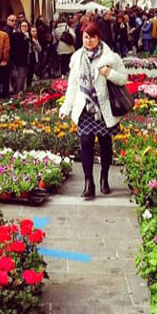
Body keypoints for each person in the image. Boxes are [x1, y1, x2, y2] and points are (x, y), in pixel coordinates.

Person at [58, 22, 128, 200]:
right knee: (86, 142)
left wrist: (109, 73)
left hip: (103, 109)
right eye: (86, 37)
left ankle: (104, 178)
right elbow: (72, 85)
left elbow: (123, 79)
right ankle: (89, 183)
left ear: (99, 38)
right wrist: (66, 107)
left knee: (105, 143)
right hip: (85, 108)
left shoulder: (111, 57)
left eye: (92, 37)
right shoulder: (76, 57)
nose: (89, 41)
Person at [10, 21, 31, 95]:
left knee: (24, 75)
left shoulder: (28, 35)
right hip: (20, 59)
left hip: (27, 58)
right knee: (20, 76)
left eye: (26, 26)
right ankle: (18, 91)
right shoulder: (17, 35)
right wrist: (26, 38)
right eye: (23, 26)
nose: (24, 28)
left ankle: (21, 90)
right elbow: (19, 47)